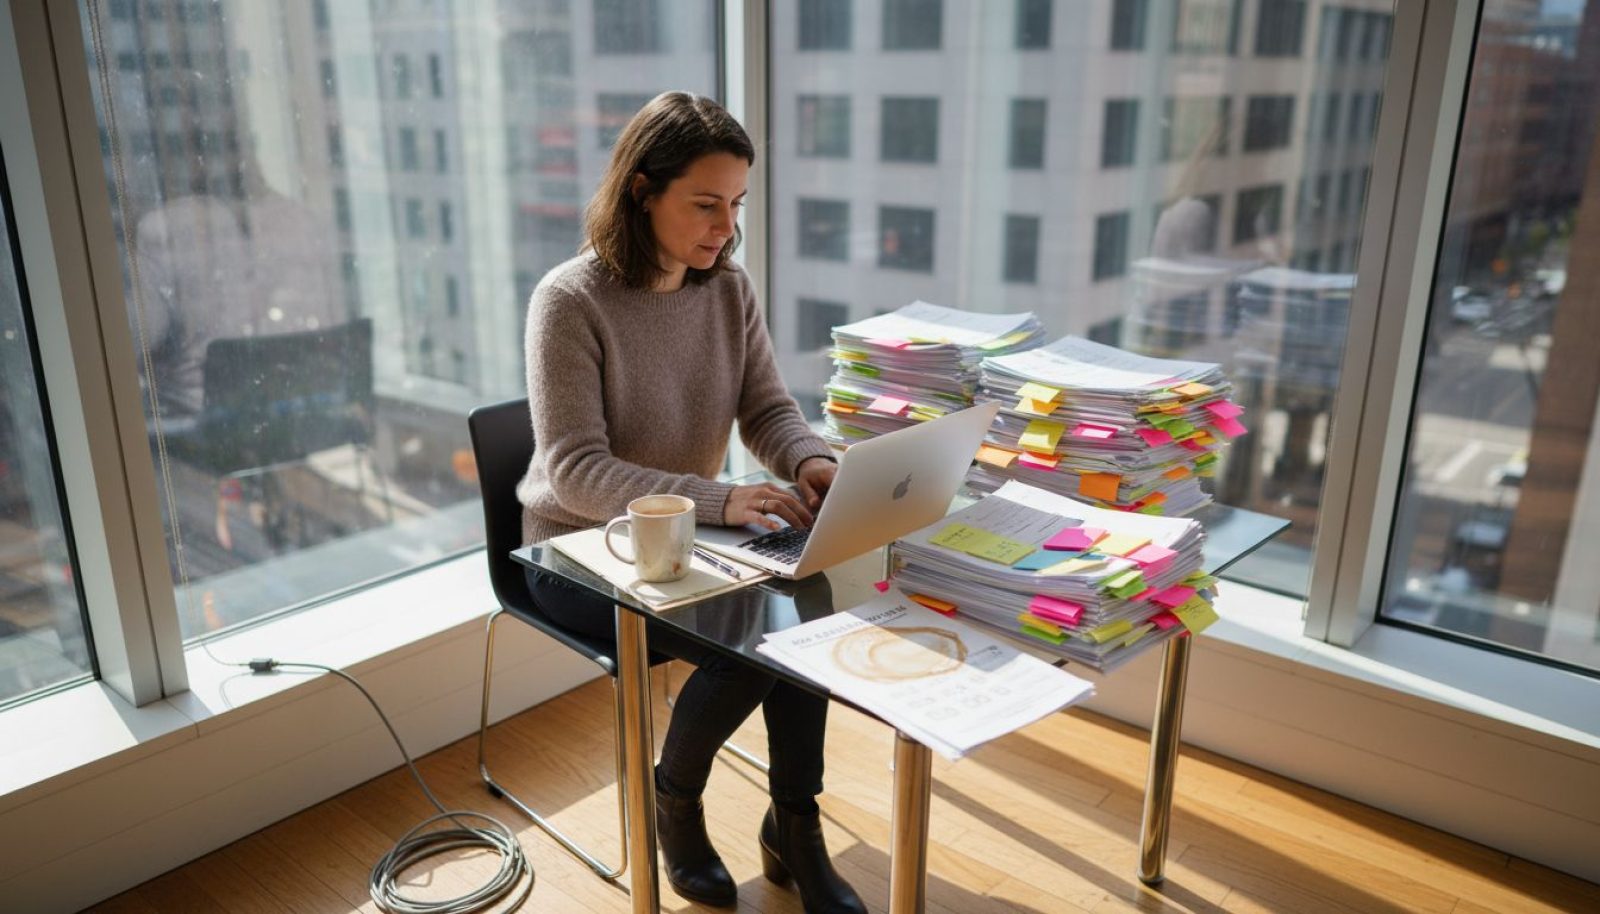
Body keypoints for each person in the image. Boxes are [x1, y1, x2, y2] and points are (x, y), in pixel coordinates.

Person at [516, 92, 866, 913]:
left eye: (736, 203)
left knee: (804, 612)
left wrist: (811, 461)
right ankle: (675, 802)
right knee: (751, 641)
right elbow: (573, 472)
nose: (725, 226)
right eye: (705, 204)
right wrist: (721, 498)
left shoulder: (726, 288)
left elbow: (768, 409)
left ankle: (794, 825)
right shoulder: (570, 300)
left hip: (696, 545)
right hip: (576, 550)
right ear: (643, 191)